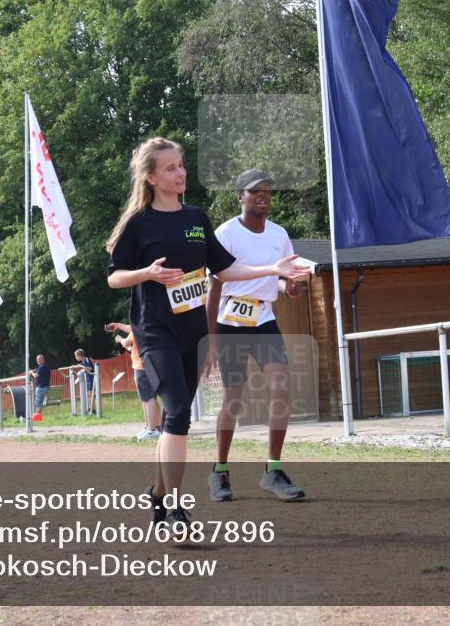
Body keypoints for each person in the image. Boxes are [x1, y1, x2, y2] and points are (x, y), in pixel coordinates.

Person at [106, 137, 310, 529]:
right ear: (150, 177)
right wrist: (147, 273)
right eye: (170, 168)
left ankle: (158, 495)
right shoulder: (139, 224)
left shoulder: (196, 219)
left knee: (173, 420)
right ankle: (174, 510)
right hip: (155, 332)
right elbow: (114, 277)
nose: (180, 172)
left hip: (192, 332)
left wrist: (273, 271)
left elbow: (225, 271)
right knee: (179, 413)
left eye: (181, 165)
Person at [206, 169, 306, 502]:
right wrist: (211, 336)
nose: (263, 196)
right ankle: (220, 472)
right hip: (230, 323)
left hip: (263, 319)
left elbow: (278, 279)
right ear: (240, 197)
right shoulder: (226, 233)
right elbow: (214, 284)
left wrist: (288, 287)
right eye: (255, 191)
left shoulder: (279, 235)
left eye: (267, 191)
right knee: (234, 400)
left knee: (282, 385)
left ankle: (273, 470)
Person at [106, 322, 161, 440]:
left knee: (147, 399)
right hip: (152, 366)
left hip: (141, 367)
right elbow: (130, 329)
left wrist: (119, 339)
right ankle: (153, 427)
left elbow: (126, 342)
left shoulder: (138, 328)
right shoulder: (149, 325)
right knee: (150, 399)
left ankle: (151, 429)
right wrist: (117, 325)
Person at [73, 349, 95, 414]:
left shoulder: (86, 359)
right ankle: (89, 408)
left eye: (76, 356)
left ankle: (92, 409)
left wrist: (82, 366)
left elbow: (90, 368)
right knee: (88, 394)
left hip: (91, 378)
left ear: (79, 356)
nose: (75, 357)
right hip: (88, 378)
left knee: (91, 394)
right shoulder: (83, 362)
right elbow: (83, 370)